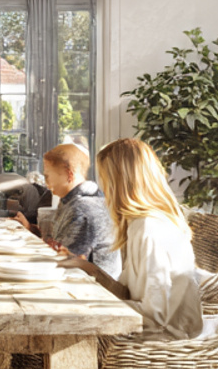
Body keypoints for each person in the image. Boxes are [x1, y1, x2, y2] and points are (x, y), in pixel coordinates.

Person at [59, 138, 202, 340]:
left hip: (160, 341)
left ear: (120, 183)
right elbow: (127, 294)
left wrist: (92, 305)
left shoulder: (150, 229)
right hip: (149, 331)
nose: (104, 189)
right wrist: (88, 268)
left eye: (105, 179)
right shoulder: (140, 223)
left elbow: (155, 317)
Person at [14, 142, 120, 280]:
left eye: (47, 176)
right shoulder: (72, 200)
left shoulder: (83, 208)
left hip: (93, 286)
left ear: (69, 175)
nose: (46, 183)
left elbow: (64, 263)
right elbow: (59, 248)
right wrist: (30, 229)